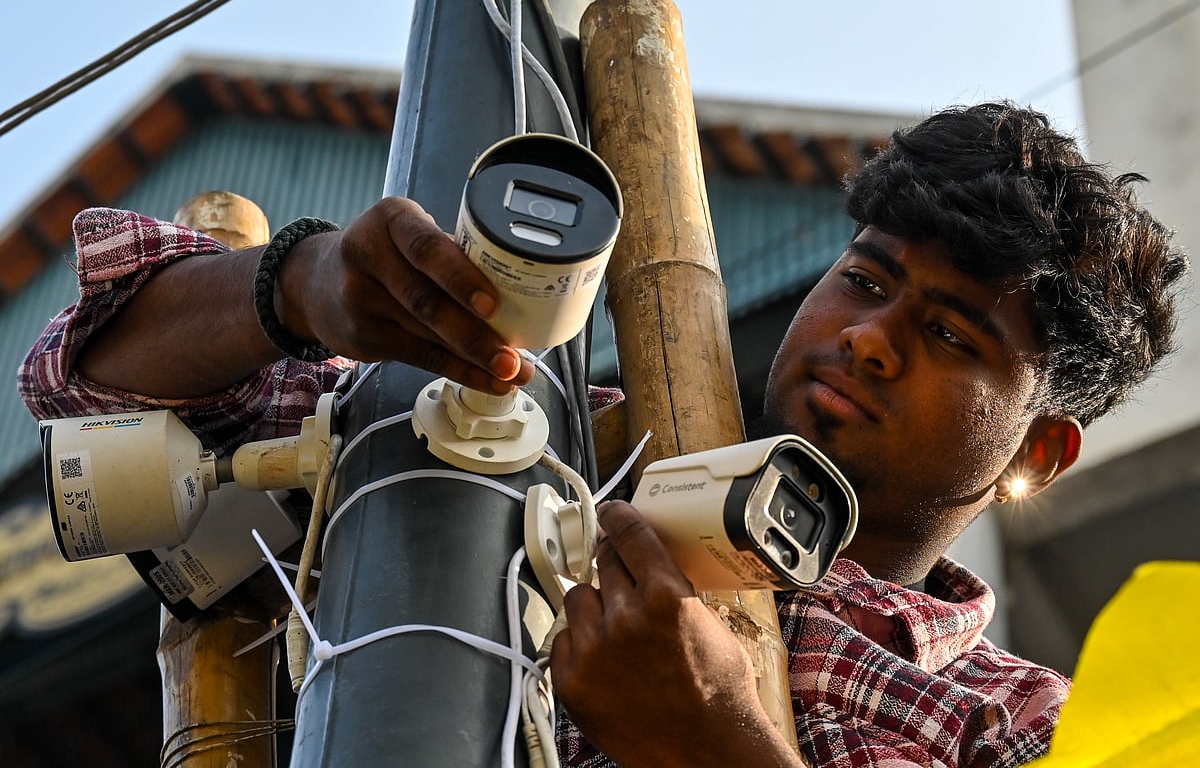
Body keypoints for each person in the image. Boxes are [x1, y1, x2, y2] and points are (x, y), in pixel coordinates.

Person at [19, 102, 1188, 767]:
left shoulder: (1030, 725)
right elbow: (96, 392)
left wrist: (714, 745)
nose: (872, 337)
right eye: (868, 279)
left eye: (949, 332)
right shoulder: (541, 448)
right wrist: (304, 285)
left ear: (1038, 453)